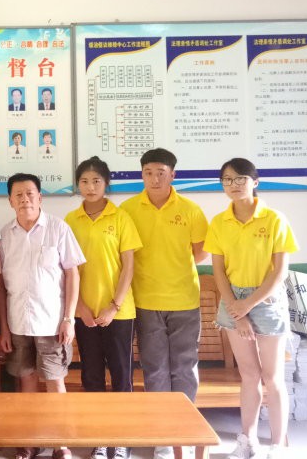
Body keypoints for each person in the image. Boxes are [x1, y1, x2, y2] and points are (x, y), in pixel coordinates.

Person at [205, 158, 299, 459]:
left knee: (273, 377)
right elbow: (218, 271)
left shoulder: (274, 219)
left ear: (254, 182)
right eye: (227, 179)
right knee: (249, 375)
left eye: (240, 178)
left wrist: (249, 304)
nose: (233, 185)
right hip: (233, 300)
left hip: (266, 299)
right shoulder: (219, 222)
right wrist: (238, 310)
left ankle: (277, 445)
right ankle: (247, 441)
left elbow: (280, 271)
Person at [120, 148, 208, 459]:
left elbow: (200, 253)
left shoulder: (191, 210)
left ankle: (184, 433)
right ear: (141, 175)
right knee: (155, 369)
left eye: (161, 173)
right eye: (148, 173)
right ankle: (163, 439)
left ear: (173, 175)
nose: (155, 179)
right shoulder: (128, 209)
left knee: (184, 368)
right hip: (145, 301)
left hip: (184, 300)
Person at [0, 173, 84, 459]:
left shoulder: (58, 228)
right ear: (10, 201)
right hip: (18, 323)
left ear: (40, 197)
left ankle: (61, 443)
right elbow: (0, 285)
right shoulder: (4, 235)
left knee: (55, 381)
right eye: (18, 195)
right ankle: (30, 439)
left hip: (51, 323)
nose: (25, 199)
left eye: (30, 193)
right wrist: (4, 328)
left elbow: (72, 274)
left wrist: (69, 318)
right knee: (27, 380)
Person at [64, 157, 141, 459]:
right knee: (92, 376)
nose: (90, 186)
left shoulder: (121, 218)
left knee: (122, 376)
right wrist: (80, 307)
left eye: (96, 180)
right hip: (84, 314)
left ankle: (120, 439)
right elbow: (67, 269)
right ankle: (98, 437)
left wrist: (114, 306)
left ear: (106, 183)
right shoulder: (70, 220)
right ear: (78, 185)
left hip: (119, 313)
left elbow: (128, 266)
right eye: (84, 181)